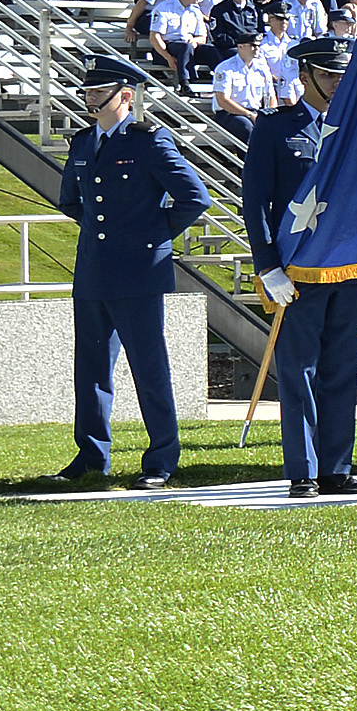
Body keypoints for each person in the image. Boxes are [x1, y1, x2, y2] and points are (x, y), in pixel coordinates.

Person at [52, 54, 214, 488]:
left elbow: (195, 197)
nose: (89, 99)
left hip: (140, 270)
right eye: (87, 91)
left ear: (125, 95)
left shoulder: (148, 140)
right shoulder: (84, 142)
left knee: (149, 367)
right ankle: (90, 457)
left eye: (98, 92)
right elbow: (70, 200)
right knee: (89, 370)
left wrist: (151, 234)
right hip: (94, 271)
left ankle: (161, 458)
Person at [238, 36, 357, 495]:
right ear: (305, 76)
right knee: (300, 370)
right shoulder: (277, 128)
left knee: (341, 367)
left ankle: (336, 467)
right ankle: (304, 469)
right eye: (329, 75)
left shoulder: (356, 129)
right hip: (296, 270)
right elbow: (255, 201)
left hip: (350, 266)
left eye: (342, 75)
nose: (338, 83)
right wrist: (266, 265)